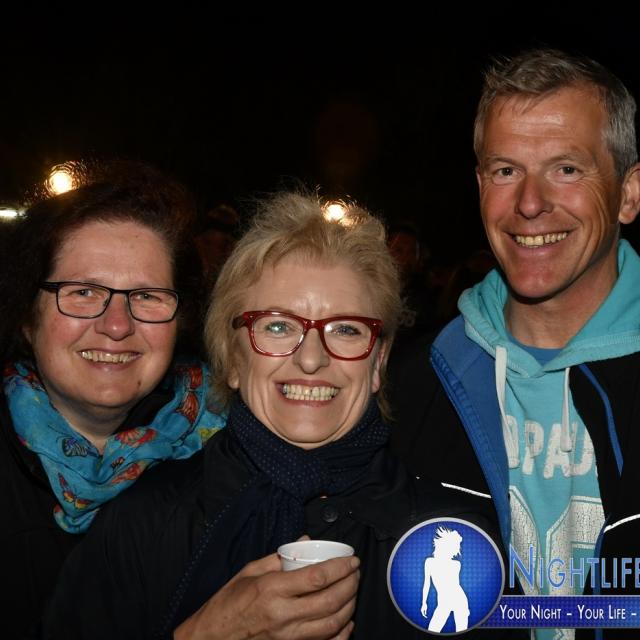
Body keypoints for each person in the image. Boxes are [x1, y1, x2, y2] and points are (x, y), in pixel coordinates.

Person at [42, 192, 505, 639]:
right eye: (278, 326)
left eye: (346, 329)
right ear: (233, 359)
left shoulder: (457, 538)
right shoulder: (141, 523)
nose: (311, 359)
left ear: (378, 363)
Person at [389, 49, 640, 640]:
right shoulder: (413, 384)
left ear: (629, 194)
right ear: (480, 186)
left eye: (566, 169)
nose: (529, 203)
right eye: (506, 171)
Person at [0, 166, 226, 638]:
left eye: (146, 296)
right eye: (83, 292)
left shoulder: (229, 459)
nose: (117, 325)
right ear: (27, 317)